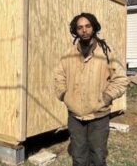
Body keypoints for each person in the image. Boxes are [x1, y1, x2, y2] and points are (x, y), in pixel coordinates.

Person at [54, 12, 128, 166]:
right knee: (78, 157)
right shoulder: (69, 54)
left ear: (94, 28)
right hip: (75, 116)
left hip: (98, 115)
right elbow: (59, 76)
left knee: (98, 156)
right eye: (80, 27)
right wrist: (64, 95)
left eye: (87, 26)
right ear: (76, 31)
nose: (84, 30)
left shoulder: (106, 52)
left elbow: (120, 80)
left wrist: (106, 97)